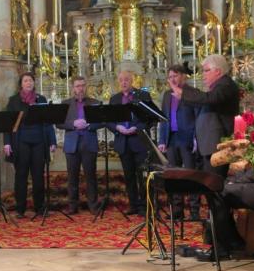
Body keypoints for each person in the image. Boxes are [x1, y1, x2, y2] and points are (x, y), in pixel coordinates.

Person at [169, 54, 243, 259]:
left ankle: (221, 248)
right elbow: (204, 101)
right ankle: (232, 241)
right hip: (210, 149)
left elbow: (208, 100)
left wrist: (183, 92)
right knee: (214, 198)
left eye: (205, 70)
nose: (202, 75)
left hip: (217, 150)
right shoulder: (217, 86)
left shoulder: (225, 86)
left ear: (217, 71)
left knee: (215, 198)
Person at [3, 72, 57, 218]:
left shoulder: (41, 99)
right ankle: (20, 209)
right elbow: (8, 123)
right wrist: (7, 142)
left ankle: (39, 207)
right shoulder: (13, 101)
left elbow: (48, 122)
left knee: (38, 176)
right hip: (21, 141)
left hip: (39, 141)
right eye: (26, 80)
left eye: (31, 80)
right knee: (21, 175)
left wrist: (52, 141)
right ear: (21, 84)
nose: (29, 83)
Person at [157, 64, 200, 220]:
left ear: (183, 76)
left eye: (175, 76)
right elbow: (163, 119)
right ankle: (177, 210)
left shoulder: (192, 93)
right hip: (171, 138)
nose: (172, 79)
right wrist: (162, 139)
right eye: (170, 77)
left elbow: (197, 118)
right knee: (173, 175)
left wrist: (196, 138)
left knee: (191, 174)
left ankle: (194, 210)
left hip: (187, 138)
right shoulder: (168, 95)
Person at [108, 70, 153, 216]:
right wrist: (117, 127)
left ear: (132, 80)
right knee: (129, 176)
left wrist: (137, 128)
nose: (123, 82)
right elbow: (108, 120)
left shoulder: (143, 95)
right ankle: (133, 205)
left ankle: (145, 206)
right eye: (121, 80)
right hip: (123, 142)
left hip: (139, 141)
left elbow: (149, 119)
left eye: (126, 79)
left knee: (142, 175)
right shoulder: (114, 99)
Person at [56, 76, 102, 215]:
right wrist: (73, 124)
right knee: (72, 176)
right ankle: (72, 205)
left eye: (82, 85)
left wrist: (89, 124)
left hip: (89, 143)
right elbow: (58, 123)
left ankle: (93, 205)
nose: (80, 88)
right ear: (73, 88)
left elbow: (102, 121)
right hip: (72, 145)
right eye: (77, 86)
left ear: (86, 86)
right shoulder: (66, 103)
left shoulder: (95, 102)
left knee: (91, 176)